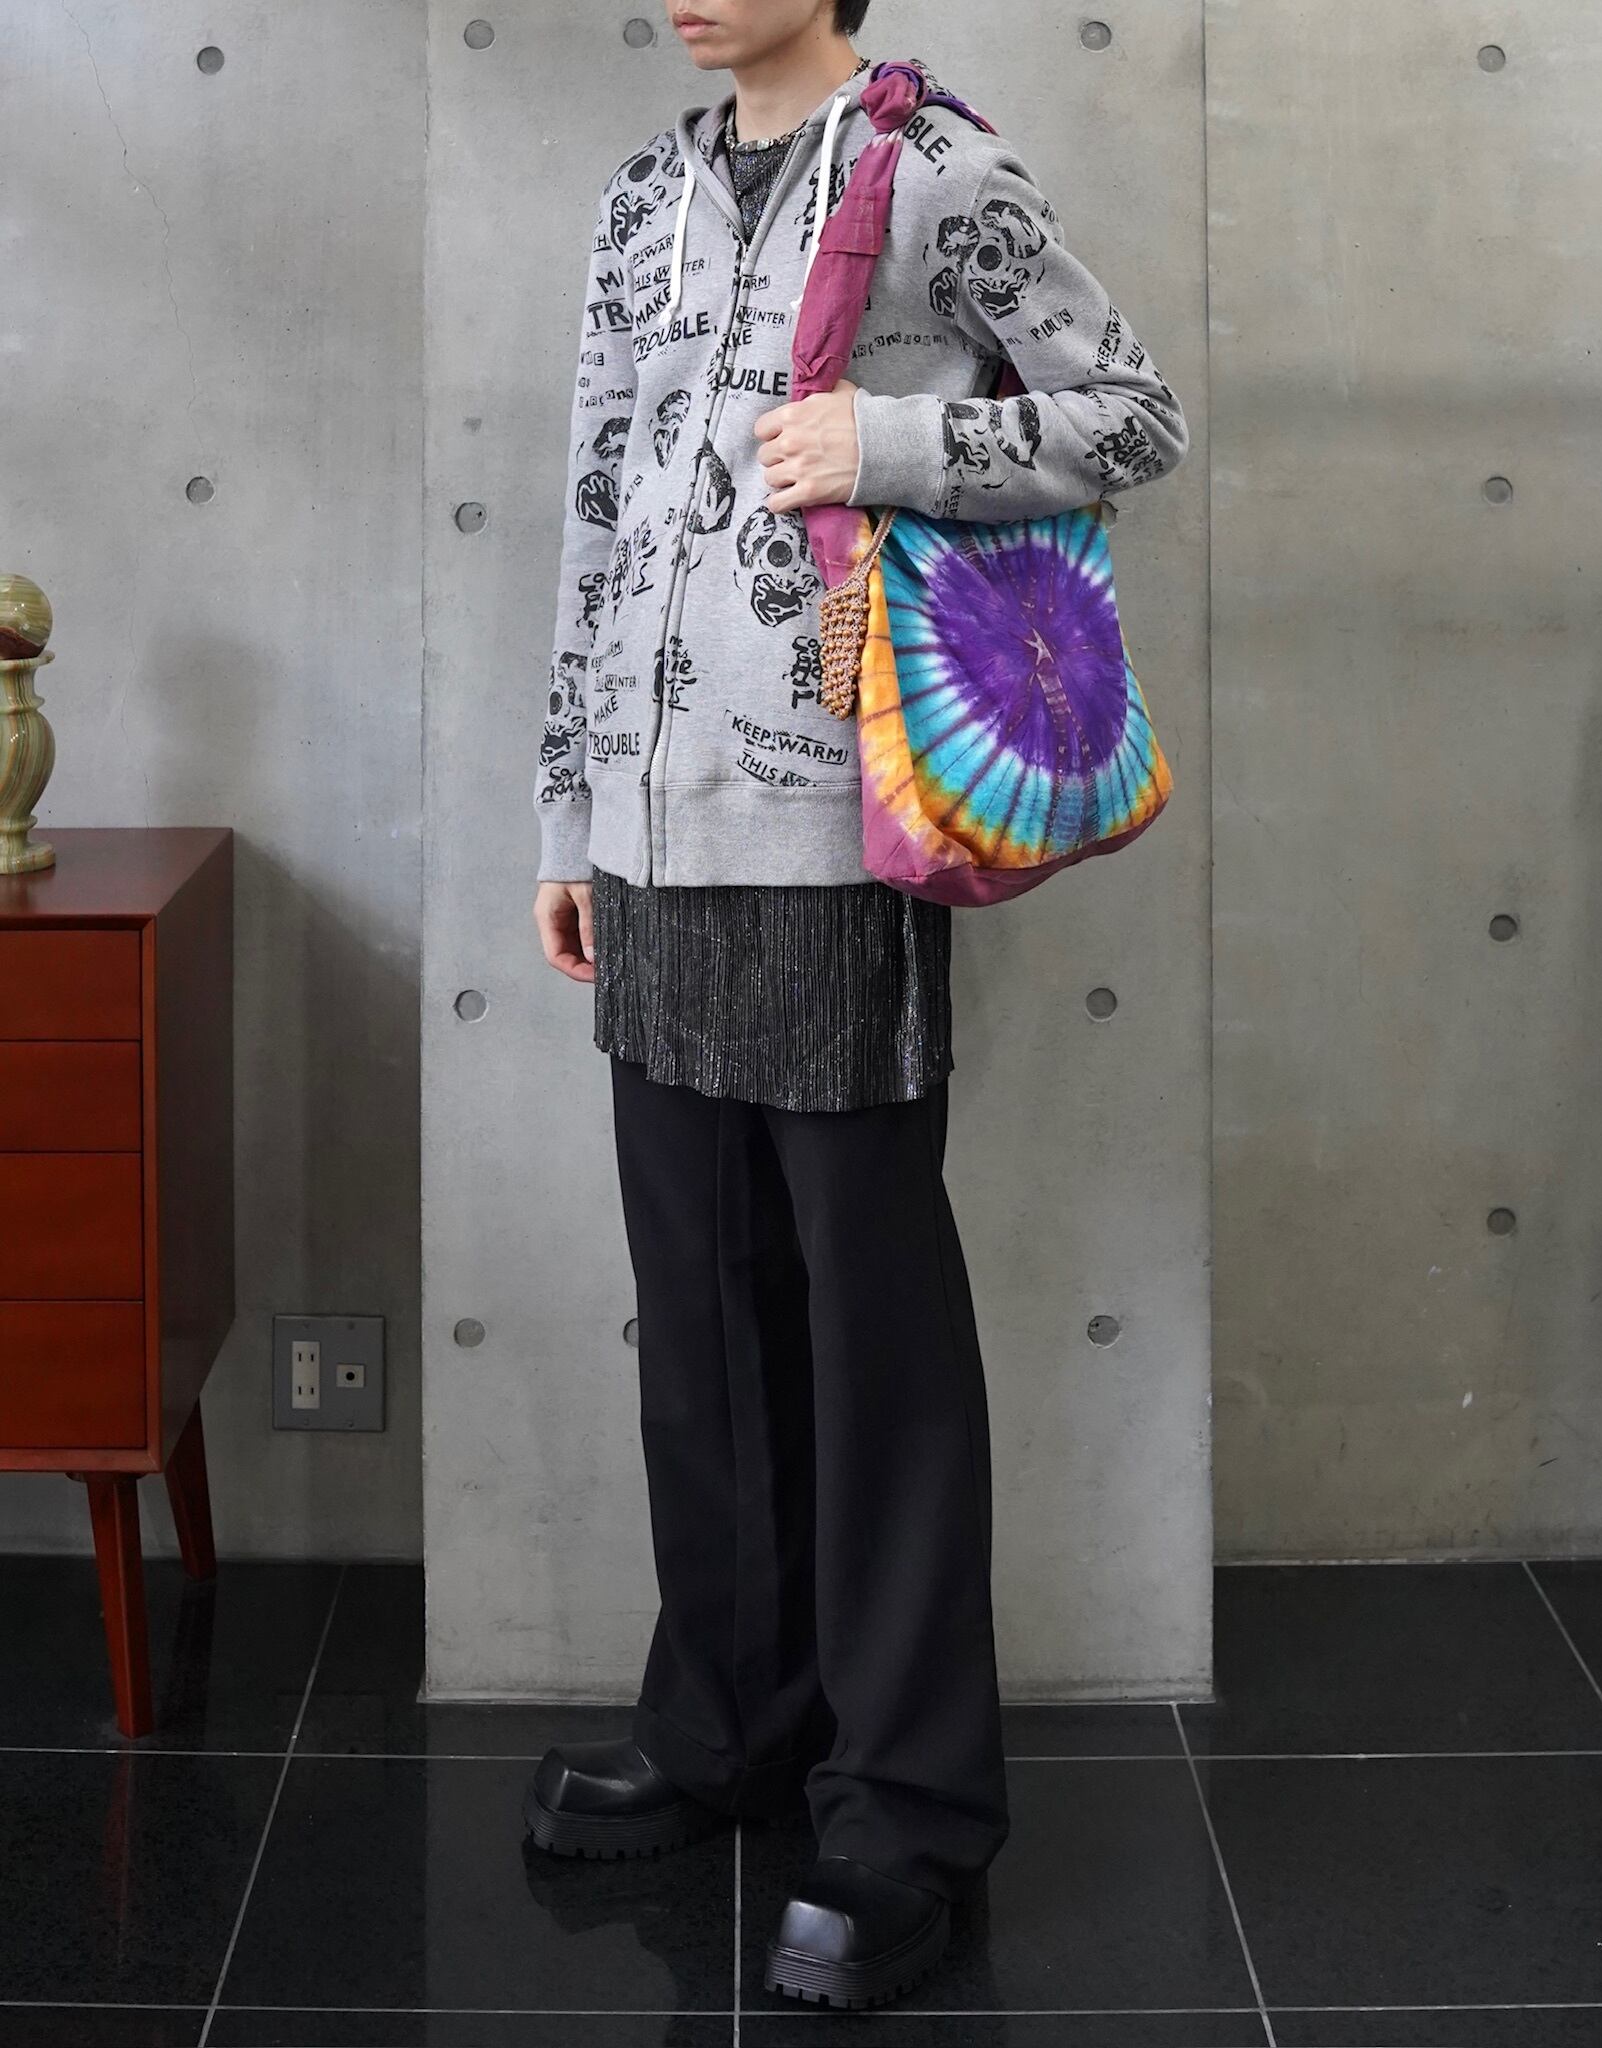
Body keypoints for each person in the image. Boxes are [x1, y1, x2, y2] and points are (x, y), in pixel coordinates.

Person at [525, 0, 1189, 2010]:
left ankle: (907, 1806)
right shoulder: (640, 195)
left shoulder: (935, 166)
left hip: (836, 837)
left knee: (870, 1334)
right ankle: (727, 1725)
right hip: (651, 840)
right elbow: (600, 504)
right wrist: (568, 812)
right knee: (701, 1315)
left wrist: (887, 443)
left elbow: (1134, 417)